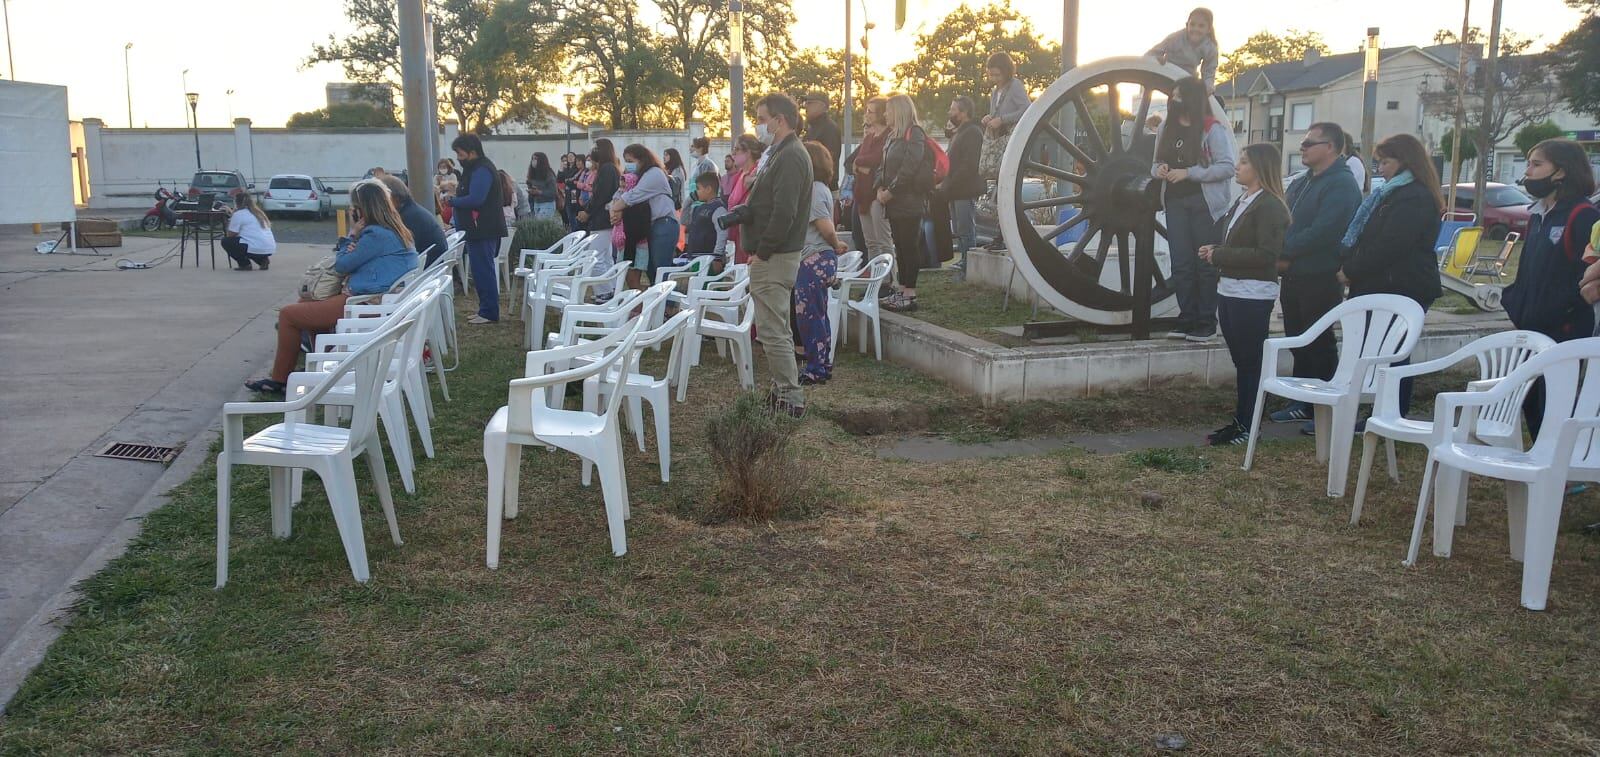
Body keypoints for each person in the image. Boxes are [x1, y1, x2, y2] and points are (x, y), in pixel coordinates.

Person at [244, 180, 418, 394]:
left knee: (288, 315)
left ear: (363, 209)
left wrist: (352, 235)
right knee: (306, 304)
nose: (352, 211)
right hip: (379, 299)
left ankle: (280, 379)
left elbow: (342, 264)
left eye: (354, 207)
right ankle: (323, 366)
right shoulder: (396, 230)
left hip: (366, 303)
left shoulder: (376, 235)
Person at [1337, 134, 1444, 417]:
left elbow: (1391, 244)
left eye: (1385, 162)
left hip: (1402, 285)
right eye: (1378, 162)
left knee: (1393, 352)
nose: (1380, 168)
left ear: (1405, 161)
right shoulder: (1391, 193)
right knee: (1378, 352)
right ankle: (1378, 409)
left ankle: (1390, 412)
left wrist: (1351, 269)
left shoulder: (1414, 196)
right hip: (1383, 283)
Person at [1269, 122, 1361, 430]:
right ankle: (1303, 398)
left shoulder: (1341, 185)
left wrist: (1284, 251)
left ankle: (1322, 403)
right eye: (1304, 142)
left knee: (1318, 341)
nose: (1303, 147)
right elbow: (1284, 217)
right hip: (1295, 273)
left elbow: (1325, 231)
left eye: (1310, 143)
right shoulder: (1303, 181)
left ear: (1331, 148)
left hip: (1318, 273)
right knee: (1298, 337)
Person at [1197, 143, 1289, 446]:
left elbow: (1266, 255)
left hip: (1252, 293)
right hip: (1231, 289)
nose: (1238, 166)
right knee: (1242, 361)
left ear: (1261, 168)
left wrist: (1220, 255)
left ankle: (1250, 426)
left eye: (1245, 162)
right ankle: (1241, 421)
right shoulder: (1244, 200)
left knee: (1251, 361)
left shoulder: (1270, 206)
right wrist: (1216, 250)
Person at [1506, 138, 1599, 437]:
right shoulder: (1537, 215)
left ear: (1561, 171)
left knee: (1554, 399)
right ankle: (1542, 456)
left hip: (1565, 328)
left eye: (1536, 164)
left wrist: (1562, 309)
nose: (1528, 172)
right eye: (1528, 164)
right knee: (1530, 397)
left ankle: (1563, 468)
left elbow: (1586, 275)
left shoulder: (1582, 215)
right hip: (1531, 324)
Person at [1152, 75, 1237, 342]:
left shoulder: (1212, 129)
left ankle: (1206, 322)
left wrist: (1189, 173)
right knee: (1181, 263)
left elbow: (1226, 167)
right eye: (1172, 96)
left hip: (1205, 203)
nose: (1173, 100)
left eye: (1178, 96)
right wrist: (1161, 170)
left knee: (1204, 263)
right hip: (1176, 202)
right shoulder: (1166, 127)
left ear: (1191, 99)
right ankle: (1186, 318)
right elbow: (1154, 164)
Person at [745, 92, 814, 417]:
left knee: (772, 331)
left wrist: (762, 251)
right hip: (774, 254)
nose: (759, 126)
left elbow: (783, 212)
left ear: (780, 119)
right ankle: (783, 389)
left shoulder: (790, 156)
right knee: (776, 328)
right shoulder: (782, 153)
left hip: (776, 256)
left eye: (762, 119)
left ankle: (791, 397)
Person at [794, 140, 850, 384]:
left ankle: (816, 369)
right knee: (818, 315)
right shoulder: (819, 188)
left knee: (809, 317)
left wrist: (836, 243)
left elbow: (825, 226)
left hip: (814, 259)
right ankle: (822, 364)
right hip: (816, 259)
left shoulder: (815, 189)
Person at [878, 93, 932, 313]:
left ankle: (910, 293)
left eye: (888, 110)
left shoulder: (915, 134)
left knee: (909, 246)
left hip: (909, 200)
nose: (885, 114)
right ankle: (901, 288)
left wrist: (891, 191)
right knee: (899, 245)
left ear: (899, 111)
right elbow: (883, 166)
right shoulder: (892, 137)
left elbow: (909, 167)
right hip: (894, 201)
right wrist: (879, 187)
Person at [447, 134, 508, 324]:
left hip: (483, 229)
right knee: (479, 270)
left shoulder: (482, 170)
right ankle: (484, 309)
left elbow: (476, 199)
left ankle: (489, 312)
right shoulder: (474, 168)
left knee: (484, 271)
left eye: (460, 153)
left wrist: (453, 201)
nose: (458, 158)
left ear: (472, 152)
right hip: (476, 230)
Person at [609, 143, 681, 288]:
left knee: (660, 267)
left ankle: (669, 304)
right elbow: (619, 193)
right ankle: (659, 304)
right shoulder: (636, 176)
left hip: (664, 224)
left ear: (642, 159)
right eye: (626, 162)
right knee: (651, 268)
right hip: (650, 226)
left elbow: (632, 196)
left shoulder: (654, 173)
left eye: (631, 161)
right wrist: (614, 210)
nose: (628, 165)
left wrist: (616, 209)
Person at [845, 96, 893, 262]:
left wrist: (862, 164)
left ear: (880, 114)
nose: (866, 114)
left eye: (870, 111)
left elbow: (877, 160)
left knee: (884, 242)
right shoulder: (868, 138)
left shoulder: (889, 136)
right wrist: (861, 165)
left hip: (876, 195)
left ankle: (890, 280)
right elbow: (855, 162)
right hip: (862, 195)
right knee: (870, 242)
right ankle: (875, 278)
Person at [944, 95, 985, 279]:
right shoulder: (959, 132)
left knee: (966, 228)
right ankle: (963, 261)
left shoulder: (973, 133)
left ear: (964, 112)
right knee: (959, 229)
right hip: (954, 189)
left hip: (964, 188)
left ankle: (969, 265)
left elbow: (969, 164)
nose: (950, 113)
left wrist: (951, 182)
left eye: (953, 110)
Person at [579, 138, 623, 299]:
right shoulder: (607, 169)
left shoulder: (607, 169)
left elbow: (600, 196)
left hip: (603, 220)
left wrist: (587, 212)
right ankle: (611, 290)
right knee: (605, 258)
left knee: (594, 259)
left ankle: (604, 292)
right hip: (604, 220)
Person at [377, 174, 448, 269]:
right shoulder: (412, 211)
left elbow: (396, 251)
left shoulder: (408, 217)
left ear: (394, 197)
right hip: (433, 266)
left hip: (424, 271)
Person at [980, 52, 1031, 186]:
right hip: (999, 138)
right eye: (992, 75)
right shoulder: (995, 92)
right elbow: (995, 115)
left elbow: (1026, 109)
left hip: (1012, 137)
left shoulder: (1015, 86)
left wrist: (1002, 119)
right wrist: (989, 118)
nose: (995, 79)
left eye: (998, 75)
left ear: (1006, 72)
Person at [1147, 7, 1219, 93]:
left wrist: (1208, 87)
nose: (1196, 29)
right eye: (1192, 24)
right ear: (1186, 25)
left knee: (1204, 92)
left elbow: (1209, 72)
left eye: (1201, 26)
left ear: (1208, 30)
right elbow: (1151, 54)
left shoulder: (1210, 48)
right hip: (1167, 73)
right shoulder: (1175, 38)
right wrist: (1157, 59)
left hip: (1188, 78)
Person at [726, 134, 766, 264]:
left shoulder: (758, 173)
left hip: (751, 237)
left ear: (748, 152)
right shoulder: (739, 176)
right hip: (738, 237)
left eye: (736, 149)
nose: (733, 154)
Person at [221, 190, 277, 271]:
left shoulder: (238, 214)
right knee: (248, 243)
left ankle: (245, 264)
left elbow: (230, 235)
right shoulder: (258, 213)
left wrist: (229, 218)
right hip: (269, 247)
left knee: (227, 242)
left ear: (236, 203)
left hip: (254, 246)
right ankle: (262, 260)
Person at [682, 172, 729, 261]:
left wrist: (717, 257)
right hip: (695, 257)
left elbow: (722, 234)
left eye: (698, 189)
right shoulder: (698, 208)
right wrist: (689, 200)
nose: (696, 192)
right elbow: (684, 221)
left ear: (708, 189)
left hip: (708, 259)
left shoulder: (718, 209)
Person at [800, 92, 842, 190]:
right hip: (812, 186)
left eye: (810, 103)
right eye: (805, 103)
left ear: (822, 106)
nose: (805, 106)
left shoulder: (829, 128)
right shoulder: (812, 128)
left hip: (824, 187)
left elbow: (829, 160)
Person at [526, 152, 558, 219]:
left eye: (535, 159)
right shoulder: (533, 173)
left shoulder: (549, 174)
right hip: (536, 203)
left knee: (541, 225)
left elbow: (553, 192)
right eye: (532, 159)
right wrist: (531, 190)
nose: (533, 161)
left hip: (547, 204)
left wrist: (539, 192)